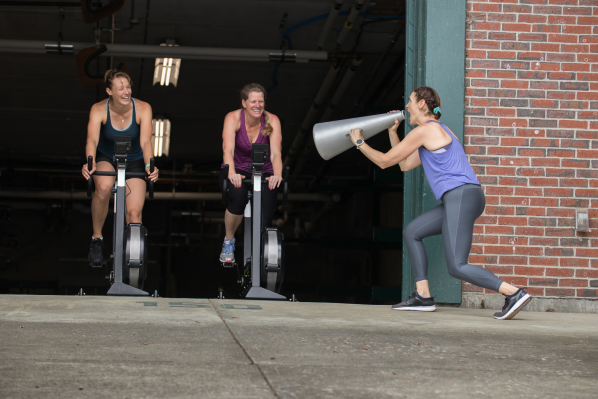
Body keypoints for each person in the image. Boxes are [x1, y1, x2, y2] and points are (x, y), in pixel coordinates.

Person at [348, 86, 532, 320]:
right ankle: (423, 296)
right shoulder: (436, 131)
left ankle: (513, 293)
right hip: (462, 197)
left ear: (422, 104)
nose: (406, 107)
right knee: (412, 231)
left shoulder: (427, 129)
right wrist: (393, 132)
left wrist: (359, 142)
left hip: (461, 195)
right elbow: (403, 165)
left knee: (456, 266)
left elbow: (385, 162)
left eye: (410, 102)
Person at [82, 69, 159, 264]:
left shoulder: (143, 108)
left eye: (128, 87)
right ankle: (97, 239)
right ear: (109, 91)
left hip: (134, 160)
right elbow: (91, 139)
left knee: (134, 213)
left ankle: (132, 256)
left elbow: (146, 143)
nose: (126, 92)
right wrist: (90, 161)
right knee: (104, 187)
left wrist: (150, 165)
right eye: (120, 88)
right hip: (106, 157)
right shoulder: (98, 109)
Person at [219, 83, 283, 264]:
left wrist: (277, 174)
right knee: (238, 197)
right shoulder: (233, 118)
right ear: (244, 103)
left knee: (266, 217)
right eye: (253, 101)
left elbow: (276, 153)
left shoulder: (272, 120)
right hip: (237, 169)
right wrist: (231, 173)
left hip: (265, 171)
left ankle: (261, 257)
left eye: (261, 101)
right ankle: (229, 241)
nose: (257, 105)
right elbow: (227, 150)